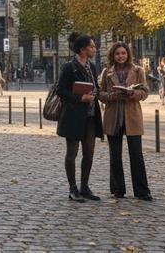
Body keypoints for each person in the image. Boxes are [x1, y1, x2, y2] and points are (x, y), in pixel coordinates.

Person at [98, 42, 152, 201]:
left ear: (128, 54)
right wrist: (111, 96)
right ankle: (117, 189)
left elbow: (145, 92)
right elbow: (100, 94)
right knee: (115, 155)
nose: (121, 56)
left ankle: (142, 191)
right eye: (117, 54)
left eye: (123, 53)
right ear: (112, 56)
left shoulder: (138, 70)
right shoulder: (106, 72)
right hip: (113, 115)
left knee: (136, 154)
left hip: (132, 115)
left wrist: (133, 93)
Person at [57, 32, 103, 202]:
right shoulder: (69, 67)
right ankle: (72, 188)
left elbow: (96, 86)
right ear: (83, 50)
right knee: (72, 153)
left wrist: (95, 93)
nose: (94, 49)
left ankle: (85, 186)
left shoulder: (91, 66)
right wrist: (80, 98)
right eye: (91, 47)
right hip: (74, 116)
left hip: (91, 116)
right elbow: (60, 91)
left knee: (89, 153)